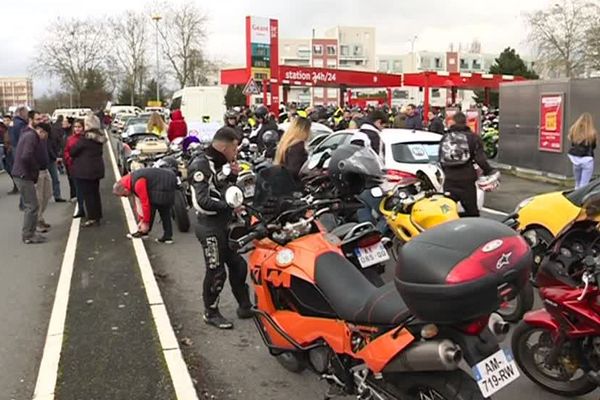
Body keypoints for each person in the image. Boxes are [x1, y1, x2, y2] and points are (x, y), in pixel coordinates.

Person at [188, 126, 252, 329]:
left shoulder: (221, 162)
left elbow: (222, 188)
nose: (236, 153)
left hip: (224, 222)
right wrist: (230, 206)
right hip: (208, 225)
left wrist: (232, 177)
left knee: (239, 265)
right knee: (216, 271)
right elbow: (202, 201)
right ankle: (211, 312)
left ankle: (245, 306)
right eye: (234, 148)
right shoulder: (201, 164)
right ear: (224, 146)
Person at [439, 112, 494, 217]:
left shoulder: (445, 138)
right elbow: (480, 159)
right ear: (466, 122)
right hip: (467, 179)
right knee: (471, 212)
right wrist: (489, 171)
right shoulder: (473, 138)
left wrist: (447, 172)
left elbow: (441, 159)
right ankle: (471, 232)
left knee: (447, 212)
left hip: (450, 180)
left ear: (453, 122)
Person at [113, 161, 178, 244]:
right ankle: (166, 236)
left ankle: (145, 232)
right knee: (163, 210)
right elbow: (138, 203)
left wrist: (145, 222)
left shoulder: (138, 183)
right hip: (166, 179)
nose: (125, 197)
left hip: (164, 182)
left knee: (155, 206)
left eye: (124, 195)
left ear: (125, 189)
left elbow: (145, 203)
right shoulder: (130, 180)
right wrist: (141, 220)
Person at [11, 111, 48, 244]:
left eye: (40, 119)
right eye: (37, 119)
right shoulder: (31, 136)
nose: (40, 121)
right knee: (31, 205)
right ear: (31, 120)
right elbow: (26, 156)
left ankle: (31, 231)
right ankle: (28, 235)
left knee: (32, 205)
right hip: (23, 174)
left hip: (22, 173)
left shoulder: (26, 133)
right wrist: (34, 170)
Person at [70, 114, 106, 227]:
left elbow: (73, 151)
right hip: (97, 168)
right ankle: (97, 215)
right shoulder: (99, 137)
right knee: (95, 193)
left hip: (85, 170)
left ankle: (92, 217)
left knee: (88, 194)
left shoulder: (85, 138)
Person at [274, 116, 311, 181]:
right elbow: (294, 170)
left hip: (282, 180)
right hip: (293, 184)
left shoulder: (286, 142)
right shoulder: (298, 145)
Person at [567, 112, 597, 189]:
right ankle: (581, 200)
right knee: (584, 184)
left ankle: (575, 198)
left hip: (575, 159)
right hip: (587, 160)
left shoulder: (573, 130)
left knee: (577, 183)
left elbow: (573, 143)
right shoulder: (592, 133)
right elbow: (593, 146)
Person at [33, 123, 53, 232]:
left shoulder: (44, 141)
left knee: (47, 194)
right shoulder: (33, 140)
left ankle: (40, 217)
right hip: (37, 171)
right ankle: (37, 221)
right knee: (38, 198)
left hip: (45, 169)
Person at [64, 119, 85, 216]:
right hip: (74, 167)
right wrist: (69, 160)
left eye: (79, 127)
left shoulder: (85, 138)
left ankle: (88, 209)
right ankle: (81, 209)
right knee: (78, 190)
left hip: (84, 167)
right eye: (75, 127)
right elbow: (66, 151)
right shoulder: (70, 139)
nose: (77, 129)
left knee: (87, 190)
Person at [48, 115, 66, 202]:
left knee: (55, 178)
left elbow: (55, 143)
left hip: (51, 157)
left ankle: (57, 195)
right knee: (52, 179)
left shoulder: (52, 130)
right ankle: (56, 195)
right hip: (47, 158)